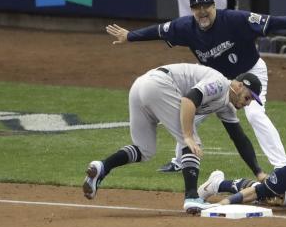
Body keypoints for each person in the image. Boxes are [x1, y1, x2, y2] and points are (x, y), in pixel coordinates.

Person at [106, 0, 286, 171]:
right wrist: (130, 36)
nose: (202, 11)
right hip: (216, 81)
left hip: (251, 73)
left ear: (214, 5)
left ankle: (281, 164)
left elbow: (272, 21)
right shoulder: (185, 27)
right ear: (192, 10)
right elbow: (158, 31)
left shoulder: (235, 19)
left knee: (255, 113)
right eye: (197, 7)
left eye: (206, 6)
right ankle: (182, 161)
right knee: (188, 117)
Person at [81, 63, 268, 214]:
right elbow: (189, 99)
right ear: (239, 86)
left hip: (141, 87)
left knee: (144, 150)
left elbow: (239, 138)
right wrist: (187, 136)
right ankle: (192, 197)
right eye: (248, 97)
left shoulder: (226, 106)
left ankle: (102, 167)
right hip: (159, 84)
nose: (247, 103)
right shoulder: (220, 83)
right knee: (193, 142)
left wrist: (258, 172)